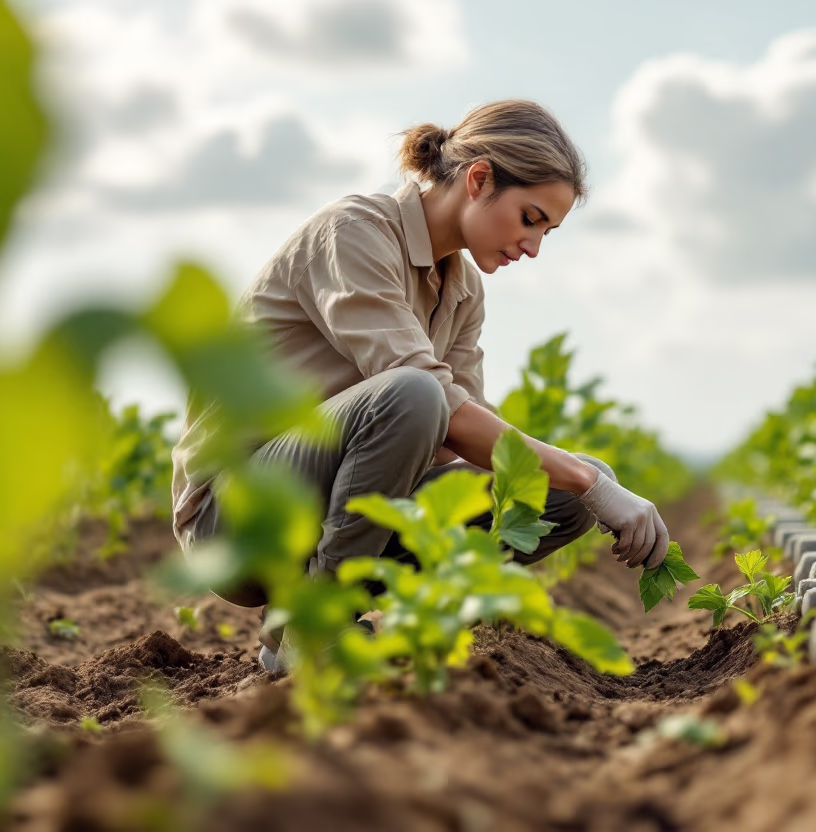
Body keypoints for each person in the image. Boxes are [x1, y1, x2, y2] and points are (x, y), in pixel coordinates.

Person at [169, 99, 670, 670]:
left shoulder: (462, 290)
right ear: (479, 179)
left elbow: (468, 437)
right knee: (417, 393)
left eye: (547, 232)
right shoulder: (354, 232)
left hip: (322, 507)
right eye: (531, 219)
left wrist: (584, 485)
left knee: (555, 498)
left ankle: (297, 624)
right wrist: (587, 480)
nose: (533, 248)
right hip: (236, 520)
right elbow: (428, 401)